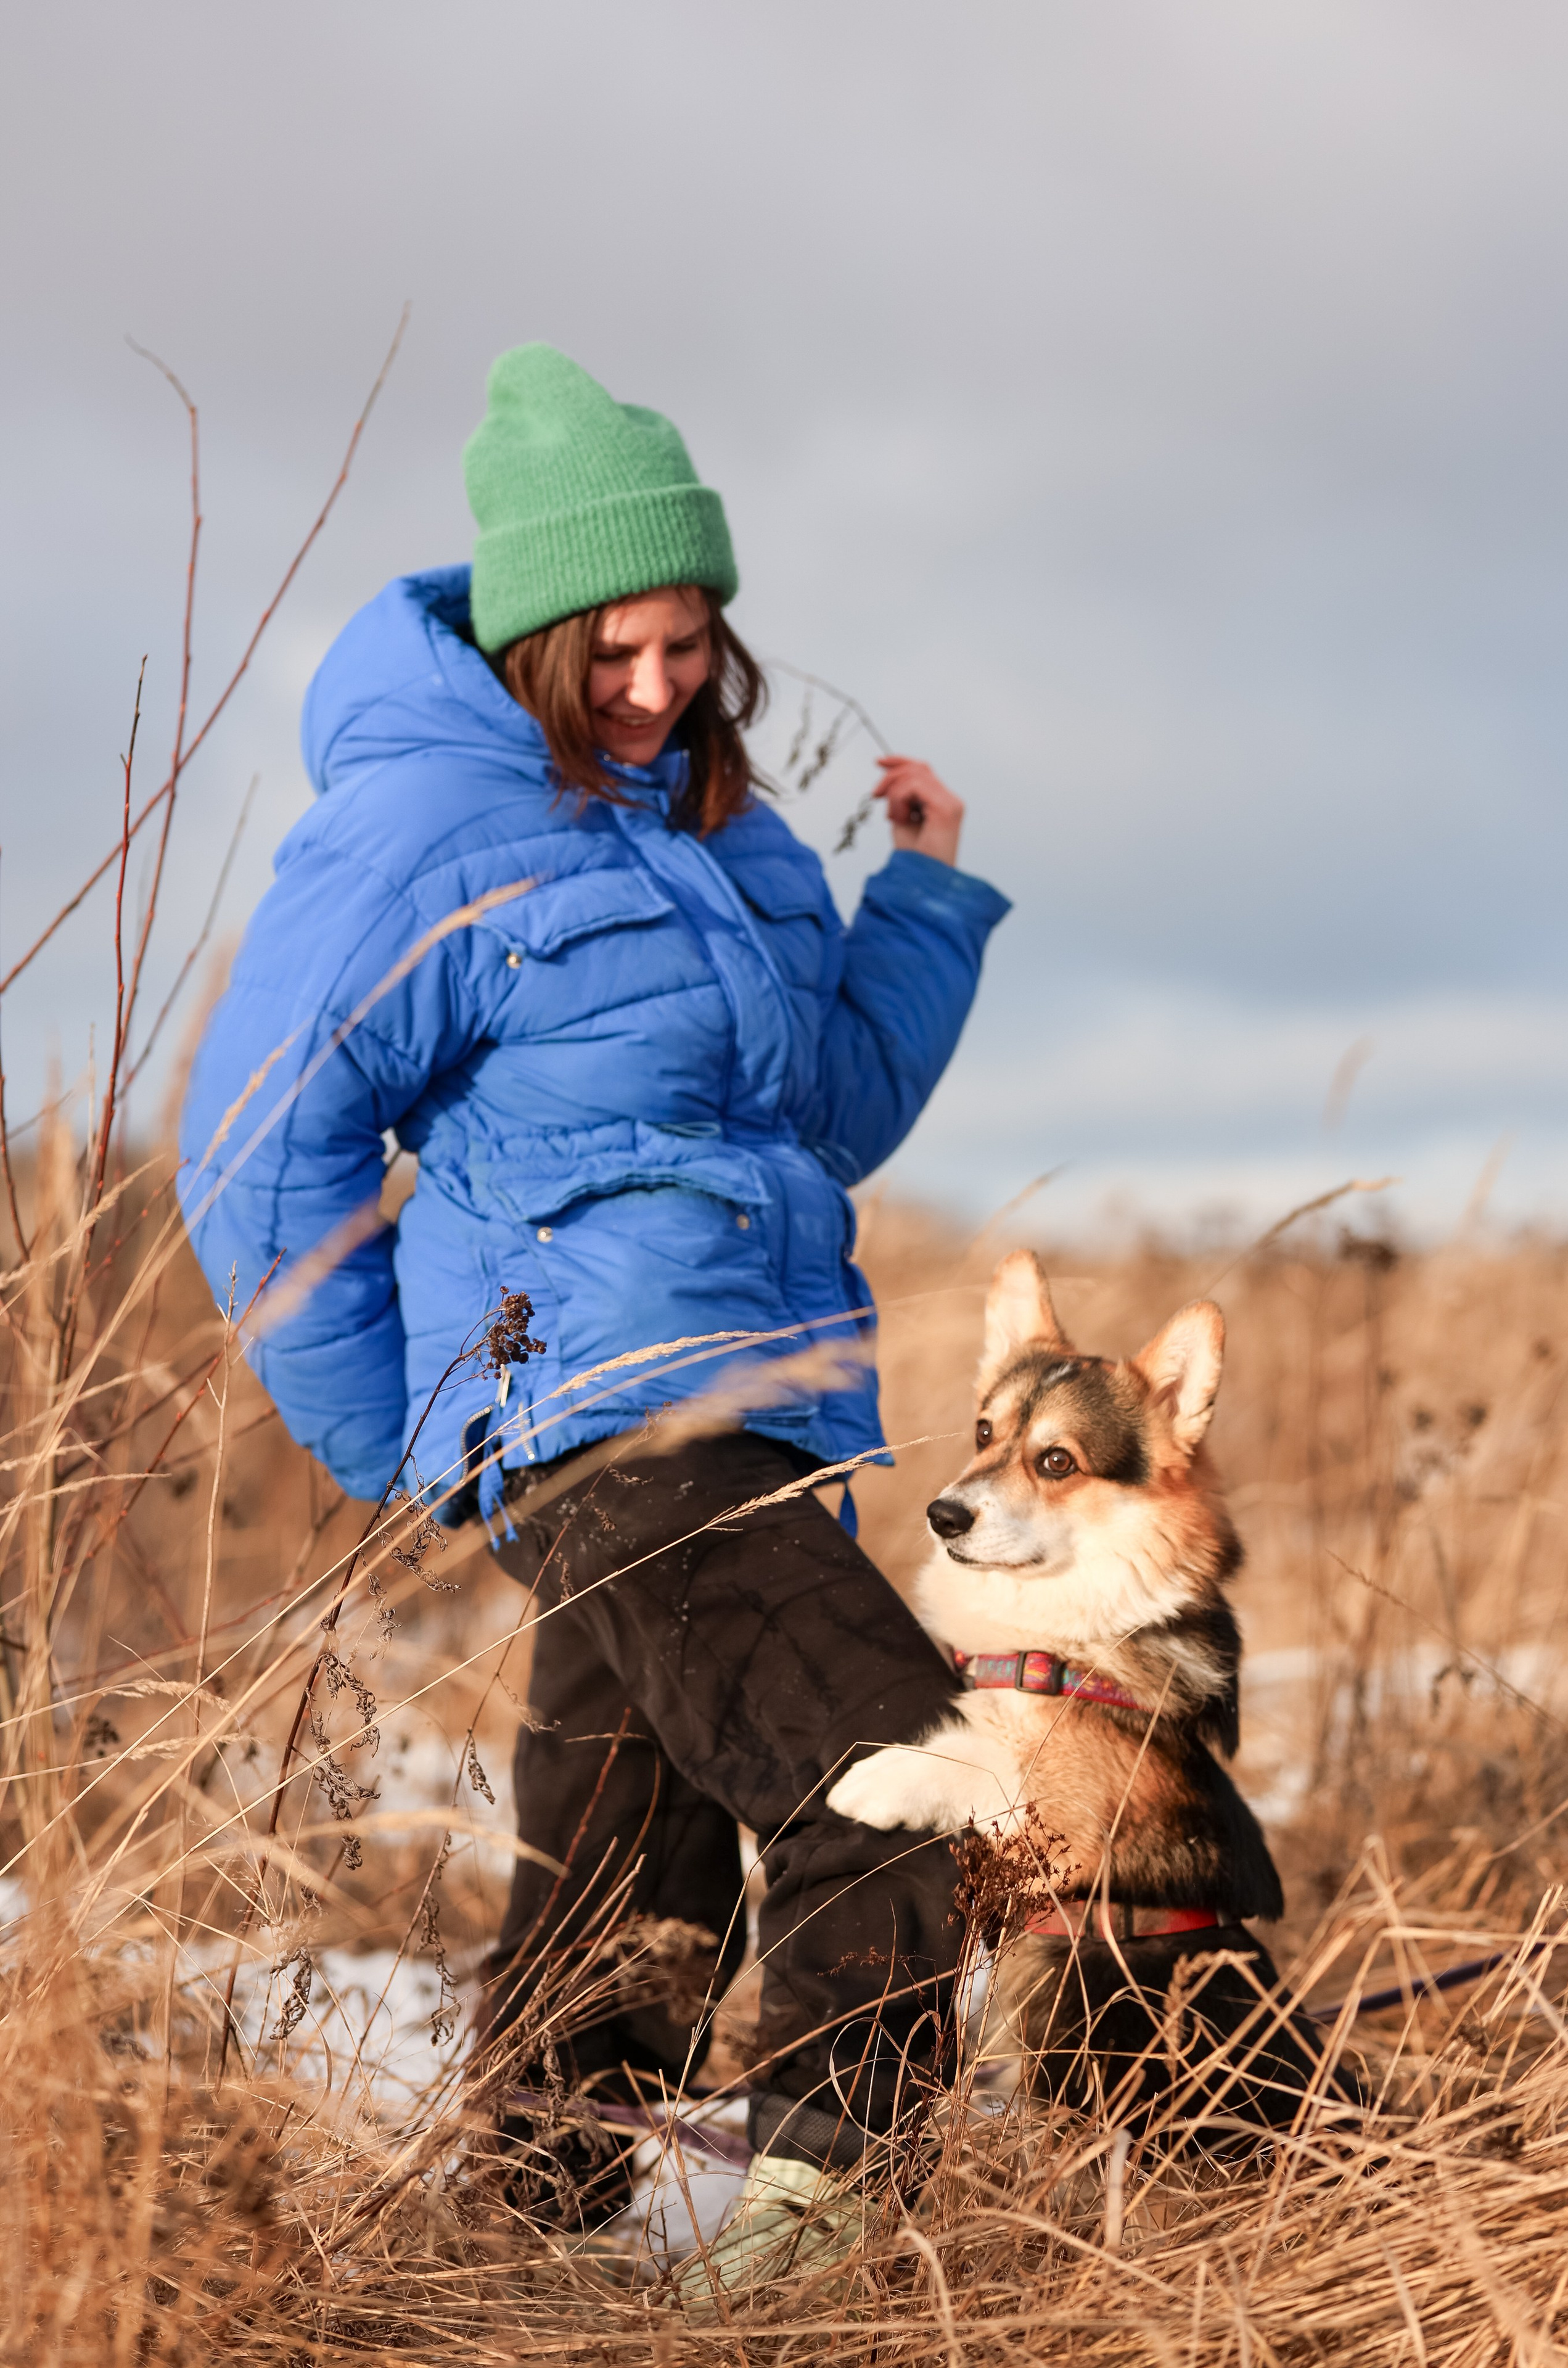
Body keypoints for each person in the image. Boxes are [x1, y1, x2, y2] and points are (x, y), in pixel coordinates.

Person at [179, 344, 1010, 2287]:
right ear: (534, 633)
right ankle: (793, 2267)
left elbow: (819, 1111)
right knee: (905, 1789)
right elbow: (254, 1144)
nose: (651, 689)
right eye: (611, 652)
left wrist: (921, 901)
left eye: (687, 647)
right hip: (603, 1412)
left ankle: (519, 2270)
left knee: (625, 1892)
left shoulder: (730, 830)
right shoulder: (421, 827)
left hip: (763, 1400)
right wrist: (402, 1424)